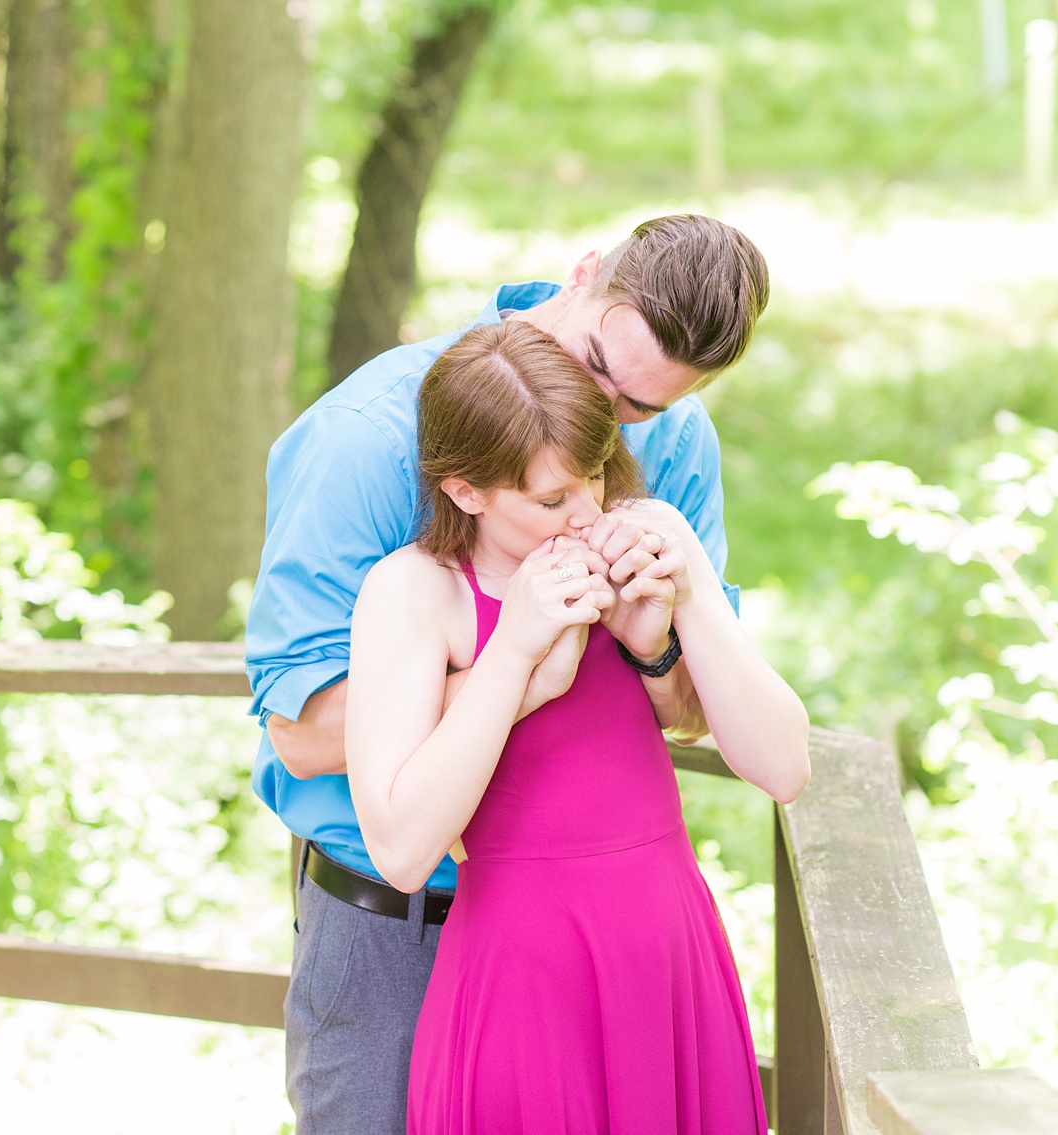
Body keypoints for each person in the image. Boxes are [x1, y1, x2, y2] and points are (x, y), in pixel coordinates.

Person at [246, 214, 771, 1133]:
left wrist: (655, 645)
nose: (605, 425)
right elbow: (301, 728)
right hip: (394, 927)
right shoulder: (365, 438)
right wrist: (523, 666)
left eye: (637, 413)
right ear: (584, 273)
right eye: (600, 370)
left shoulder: (679, 442)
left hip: (605, 936)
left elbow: (688, 712)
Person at [345, 320, 809, 1132]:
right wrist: (516, 654)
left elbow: (783, 768)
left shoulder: (640, 540)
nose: (586, 511)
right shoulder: (416, 591)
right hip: (524, 978)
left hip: (670, 959)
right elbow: (401, 849)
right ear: (466, 490)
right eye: (552, 498)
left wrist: (678, 609)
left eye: (596, 476)